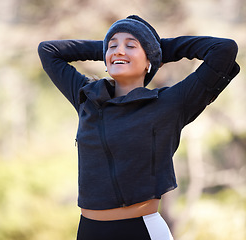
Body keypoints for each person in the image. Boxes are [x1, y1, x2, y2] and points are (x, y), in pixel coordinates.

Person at [38, 15, 240, 240]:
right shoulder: (87, 96)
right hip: (89, 230)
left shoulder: (170, 103)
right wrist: (108, 49)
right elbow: (48, 50)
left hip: (141, 230)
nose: (119, 51)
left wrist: (160, 48)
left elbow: (224, 49)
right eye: (113, 46)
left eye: (131, 46)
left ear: (149, 62)